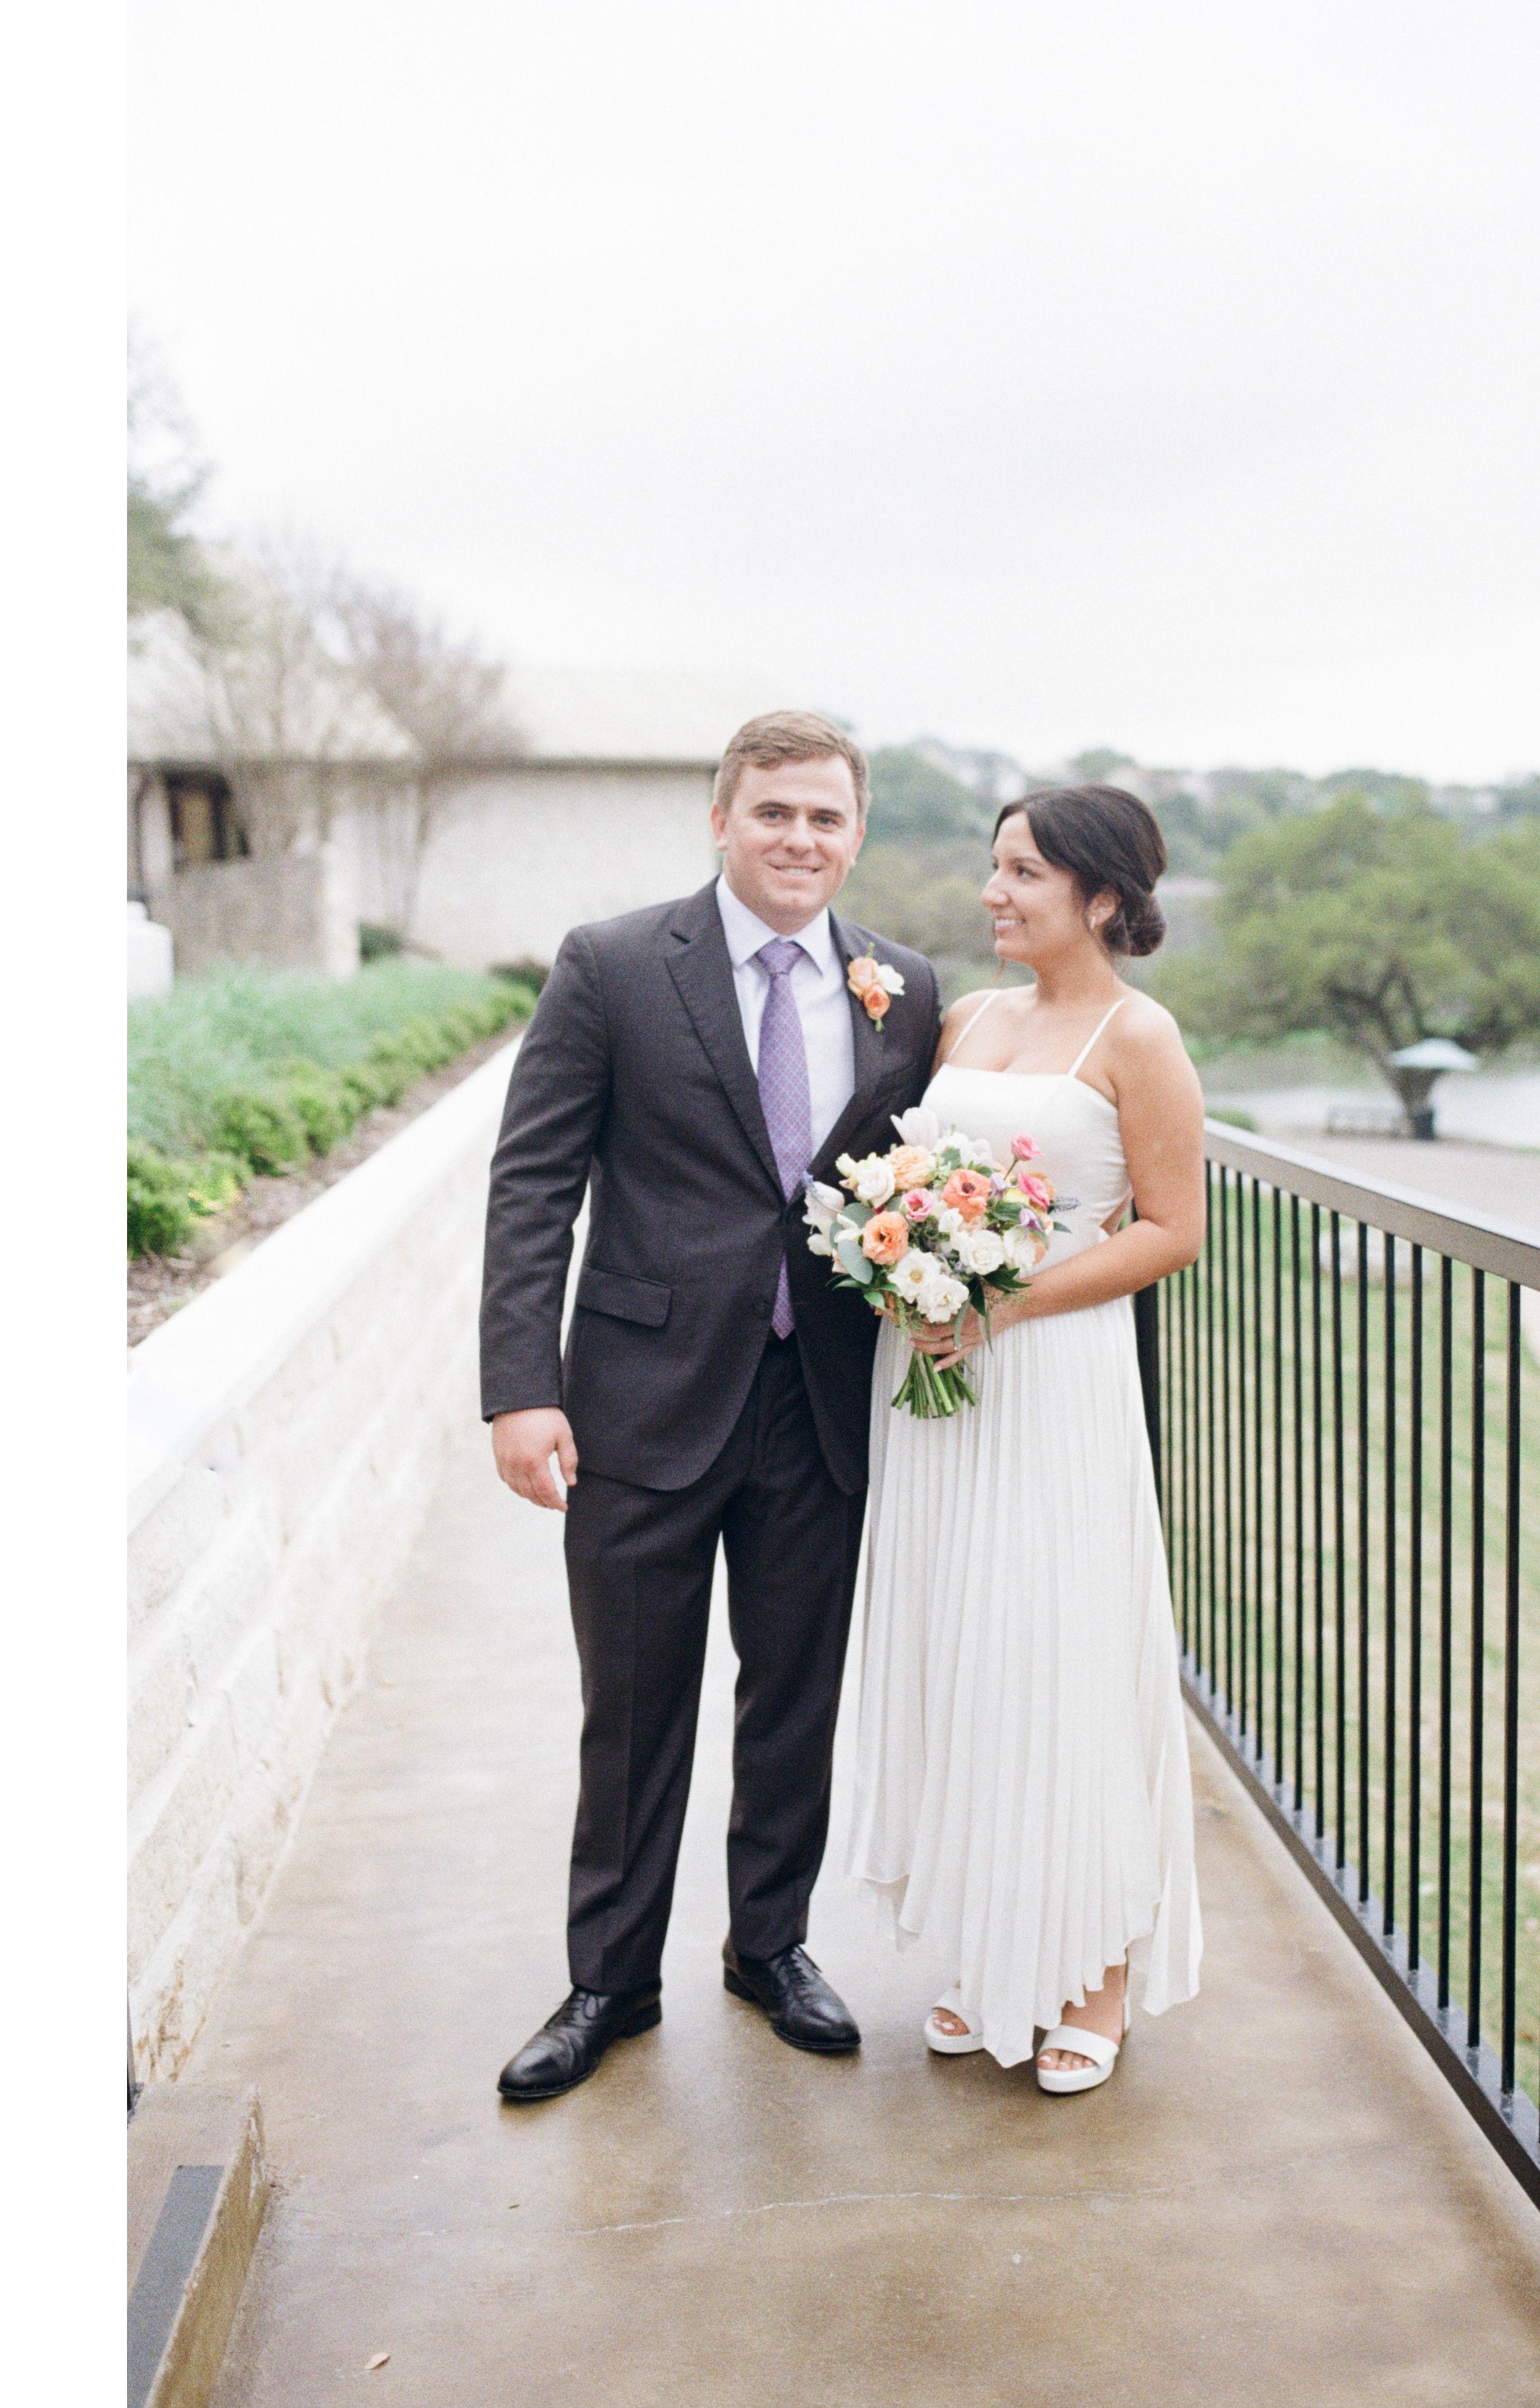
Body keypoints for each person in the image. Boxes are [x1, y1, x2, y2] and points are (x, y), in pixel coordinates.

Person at [480, 711, 941, 2103]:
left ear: (856, 834)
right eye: (774, 812)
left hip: (823, 1403)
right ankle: (610, 1981)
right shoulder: (614, 964)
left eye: (825, 817)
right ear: (722, 819)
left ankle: (771, 1946)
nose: (800, 839)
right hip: (641, 1401)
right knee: (631, 1705)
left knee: (794, 1696)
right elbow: (533, 1184)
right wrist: (520, 1389)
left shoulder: (903, 988)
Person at [842, 783, 1207, 2092]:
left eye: (1024, 873)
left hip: (1050, 1380)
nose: (993, 891)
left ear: (1102, 899)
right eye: (995, 866)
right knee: (963, 1652)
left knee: (1056, 1651)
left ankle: (1094, 1974)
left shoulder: (1139, 1035)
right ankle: (989, 1949)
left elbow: (1171, 1229)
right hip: (932, 1383)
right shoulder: (969, 1018)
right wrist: (905, 1265)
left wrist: (999, 1303)